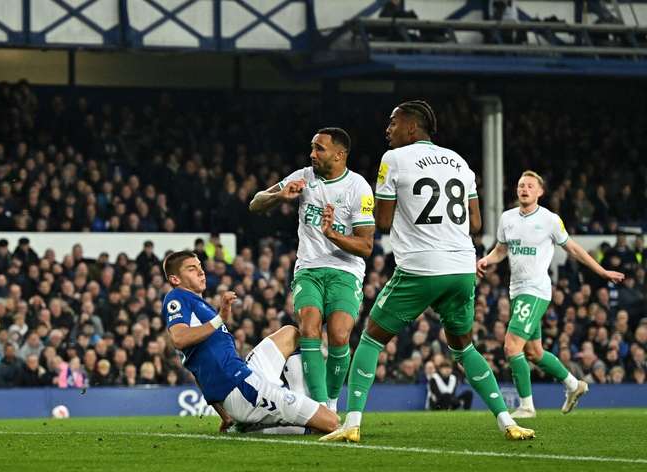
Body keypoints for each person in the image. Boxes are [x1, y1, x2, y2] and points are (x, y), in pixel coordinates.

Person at [321, 100, 533, 443]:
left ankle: (352, 423)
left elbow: (384, 222)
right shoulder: (460, 162)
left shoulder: (393, 159)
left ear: (411, 127)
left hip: (421, 265)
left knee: (371, 338)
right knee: (464, 346)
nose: (387, 130)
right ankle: (508, 422)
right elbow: (476, 223)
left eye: (392, 123)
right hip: (463, 266)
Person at [477, 170, 625, 418]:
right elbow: (501, 250)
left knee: (512, 346)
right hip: (517, 290)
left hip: (536, 290)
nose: (524, 189)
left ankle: (526, 406)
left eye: (530, 186)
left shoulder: (550, 220)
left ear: (540, 192)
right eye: (521, 185)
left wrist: (601, 271)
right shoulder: (507, 218)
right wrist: (486, 260)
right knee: (534, 352)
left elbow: (574, 249)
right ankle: (574, 385)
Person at [250, 127, 374, 411]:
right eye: (312, 147)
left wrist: (334, 236)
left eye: (320, 149)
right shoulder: (302, 177)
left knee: (341, 335)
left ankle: (330, 403)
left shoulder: (358, 187)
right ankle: (318, 407)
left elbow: (366, 246)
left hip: (345, 270)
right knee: (309, 327)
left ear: (340, 155)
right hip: (309, 267)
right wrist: (280, 196)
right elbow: (255, 203)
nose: (312, 154)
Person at [162, 251, 340, 435]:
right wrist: (220, 318)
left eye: (200, 267)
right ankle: (275, 421)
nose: (201, 272)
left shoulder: (198, 305)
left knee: (290, 334)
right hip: (243, 388)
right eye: (192, 269)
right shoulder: (177, 298)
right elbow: (179, 338)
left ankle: (293, 404)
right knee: (330, 422)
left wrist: (225, 416)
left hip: (247, 373)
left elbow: (199, 370)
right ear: (175, 279)